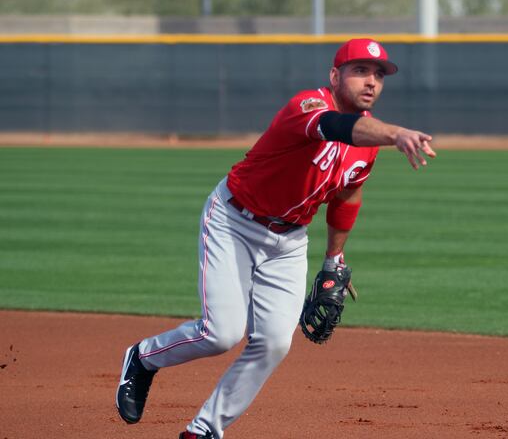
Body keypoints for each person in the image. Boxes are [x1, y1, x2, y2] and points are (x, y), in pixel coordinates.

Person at [115, 38, 436, 439]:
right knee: (221, 334)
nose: (371, 81)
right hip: (234, 220)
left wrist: (334, 259)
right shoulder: (308, 105)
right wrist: (396, 133)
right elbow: (336, 127)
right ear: (335, 76)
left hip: (290, 240)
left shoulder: (367, 147)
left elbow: (348, 194)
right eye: (360, 71)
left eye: (378, 74)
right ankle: (143, 359)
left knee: (272, 343)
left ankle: (204, 430)